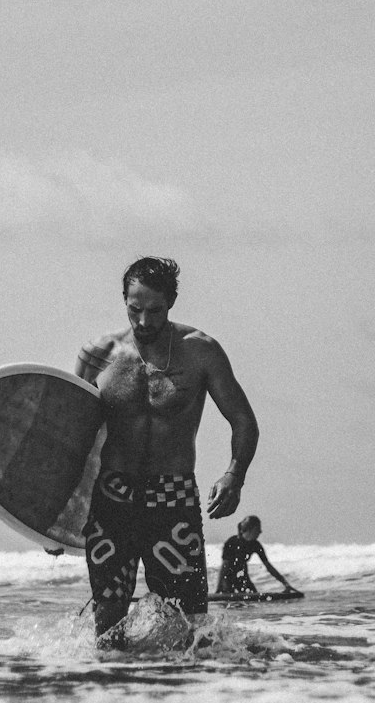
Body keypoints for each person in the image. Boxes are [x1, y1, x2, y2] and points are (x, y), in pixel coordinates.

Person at [75, 256, 259, 644]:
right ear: (124, 300)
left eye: (155, 311)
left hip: (172, 499)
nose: (144, 322)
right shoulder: (97, 355)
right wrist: (54, 516)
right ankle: (112, 698)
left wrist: (234, 475)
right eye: (135, 309)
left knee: (188, 626)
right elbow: (70, 436)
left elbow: (243, 421)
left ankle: (176, 699)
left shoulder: (201, 352)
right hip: (112, 500)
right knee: (107, 625)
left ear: (171, 302)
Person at [216, 514, 301, 599]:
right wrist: (218, 588)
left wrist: (285, 584)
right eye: (258, 529)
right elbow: (224, 566)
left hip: (242, 576)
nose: (260, 531)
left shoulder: (256, 545)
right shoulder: (232, 542)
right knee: (228, 604)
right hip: (227, 578)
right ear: (250, 529)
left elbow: (268, 566)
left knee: (252, 602)